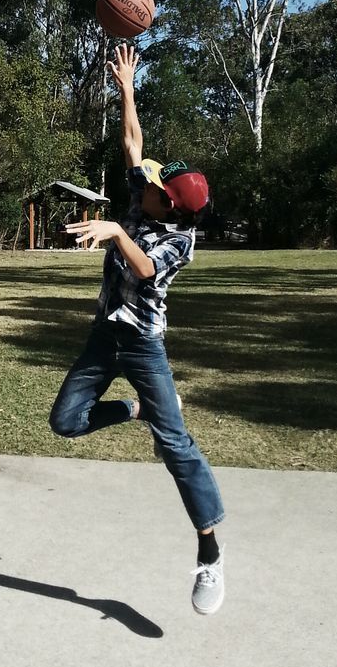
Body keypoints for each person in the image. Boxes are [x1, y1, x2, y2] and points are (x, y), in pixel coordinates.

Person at [48, 43, 225, 615]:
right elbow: (133, 143)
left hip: (143, 347)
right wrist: (127, 86)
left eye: (155, 183)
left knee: (177, 447)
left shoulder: (180, 239)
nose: (146, 178)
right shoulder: (141, 200)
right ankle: (133, 410)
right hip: (106, 336)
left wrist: (113, 233)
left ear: (168, 205)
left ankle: (209, 553)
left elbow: (145, 271)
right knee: (65, 422)